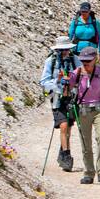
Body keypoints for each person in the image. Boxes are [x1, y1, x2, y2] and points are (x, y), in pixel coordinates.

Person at [66, 45, 100, 184]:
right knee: (85, 143)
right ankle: (88, 173)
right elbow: (67, 91)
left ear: (95, 59)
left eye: (88, 61)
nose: (85, 64)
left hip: (99, 110)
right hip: (83, 112)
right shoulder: (77, 73)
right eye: (83, 61)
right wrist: (64, 81)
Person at [40, 36, 81, 171]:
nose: (65, 52)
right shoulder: (50, 62)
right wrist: (57, 82)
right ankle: (66, 156)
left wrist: (72, 82)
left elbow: (82, 77)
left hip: (72, 98)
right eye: (62, 50)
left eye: (67, 49)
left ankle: (63, 151)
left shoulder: (75, 60)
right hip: (57, 99)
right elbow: (44, 82)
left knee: (68, 127)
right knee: (64, 126)